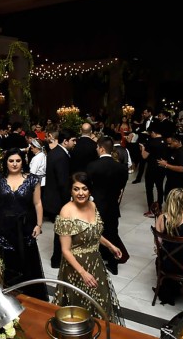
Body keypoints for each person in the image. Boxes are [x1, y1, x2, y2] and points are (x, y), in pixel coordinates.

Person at [52, 172, 125, 325]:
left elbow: (94, 233)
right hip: (75, 267)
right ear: (71, 191)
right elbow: (65, 250)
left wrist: (111, 246)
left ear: (90, 190)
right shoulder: (66, 212)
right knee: (79, 308)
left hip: (95, 262)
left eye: (84, 189)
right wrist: (83, 273)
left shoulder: (92, 205)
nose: (81, 193)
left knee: (101, 303)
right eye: (76, 189)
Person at [0, 148, 48, 301]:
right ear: (5, 162)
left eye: (18, 161)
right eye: (11, 161)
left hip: (25, 228)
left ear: (23, 162)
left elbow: (38, 203)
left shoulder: (33, 179)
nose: (14, 164)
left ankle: (29, 298)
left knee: (27, 261)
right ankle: (6, 298)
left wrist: (39, 225)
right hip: (3, 227)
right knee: (5, 262)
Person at [86, 136, 128, 275]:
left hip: (96, 205)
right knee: (112, 233)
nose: (96, 150)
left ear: (101, 148)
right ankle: (113, 263)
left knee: (94, 233)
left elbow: (87, 186)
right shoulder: (121, 168)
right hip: (112, 206)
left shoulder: (92, 165)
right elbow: (121, 186)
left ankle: (93, 262)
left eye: (97, 148)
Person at [43, 128, 77, 267]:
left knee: (59, 229)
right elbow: (62, 182)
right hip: (58, 199)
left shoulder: (54, 152)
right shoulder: (62, 156)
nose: (75, 143)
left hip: (52, 196)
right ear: (65, 141)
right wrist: (68, 202)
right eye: (73, 140)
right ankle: (56, 259)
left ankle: (58, 257)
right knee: (61, 230)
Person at [141, 122, 168, 217]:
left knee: (149, 188)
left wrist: (142, 148)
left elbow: (144, 156)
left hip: (152, 168)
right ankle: (159, 207)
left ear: (153, 132)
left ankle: (151, 210)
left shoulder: (151, 142)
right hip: (162, 168)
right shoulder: (165, 141)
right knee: (160, 187)